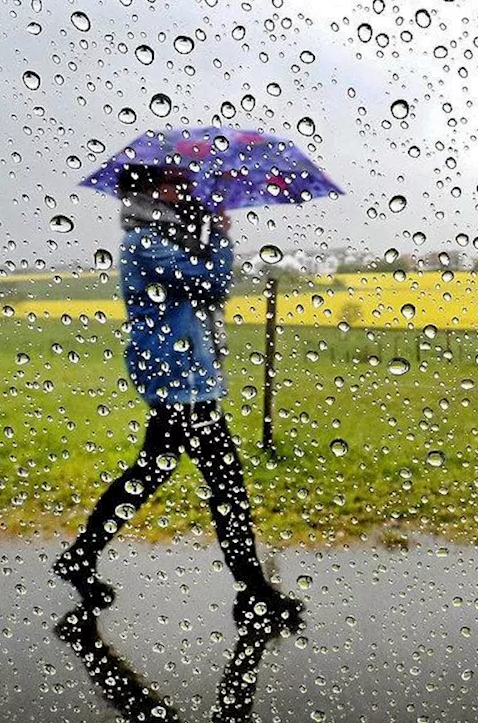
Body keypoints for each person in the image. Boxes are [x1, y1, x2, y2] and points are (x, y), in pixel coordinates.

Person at [54, 163, 303, 634]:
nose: (188, 188)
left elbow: (200, 291)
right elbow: (212, 284)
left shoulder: (161, 236)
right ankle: (253, 591)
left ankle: (81, 556)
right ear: (151, 192)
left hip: (183, 373)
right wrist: (221, 235)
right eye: (177, 183)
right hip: (177, 377)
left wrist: (203, 228)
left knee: (151, 471)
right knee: (225, 482)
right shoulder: (145, 242)